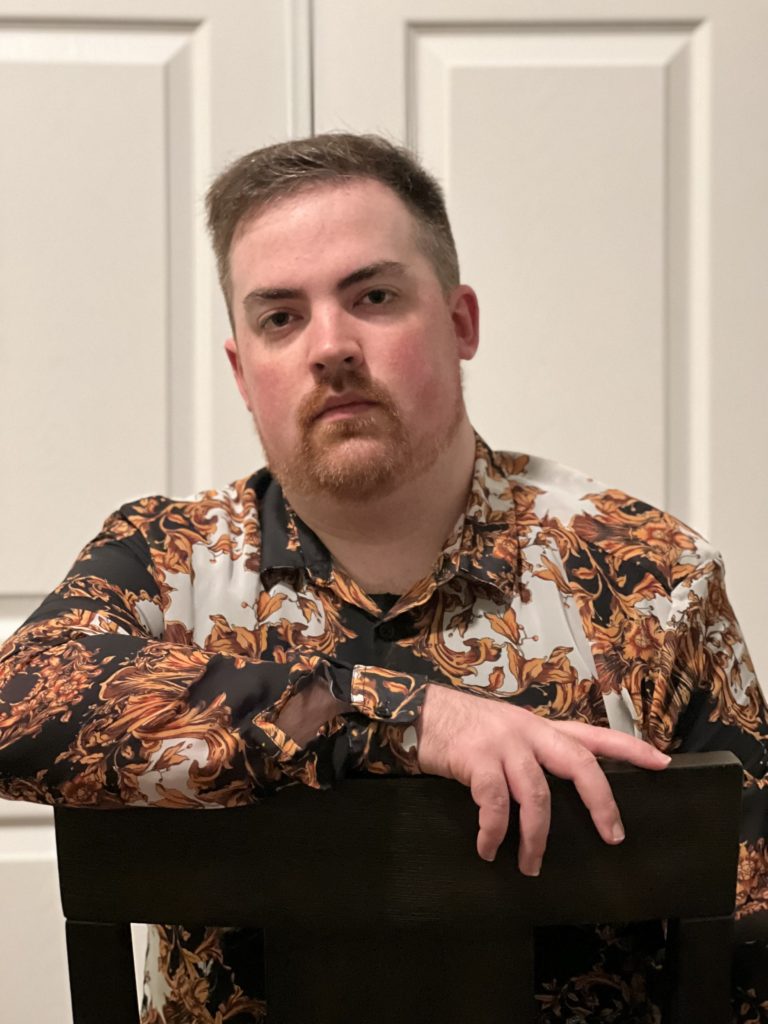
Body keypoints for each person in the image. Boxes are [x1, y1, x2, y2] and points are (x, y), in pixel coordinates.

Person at [0, 132, 765, 1023]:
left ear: (460, 322)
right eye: (281, 318)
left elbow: (749, 949)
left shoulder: (648, 577)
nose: (331, 346)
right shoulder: (168, 561)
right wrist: (407, 716)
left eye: (373, 297)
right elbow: (18, 698)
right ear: (243, 373)